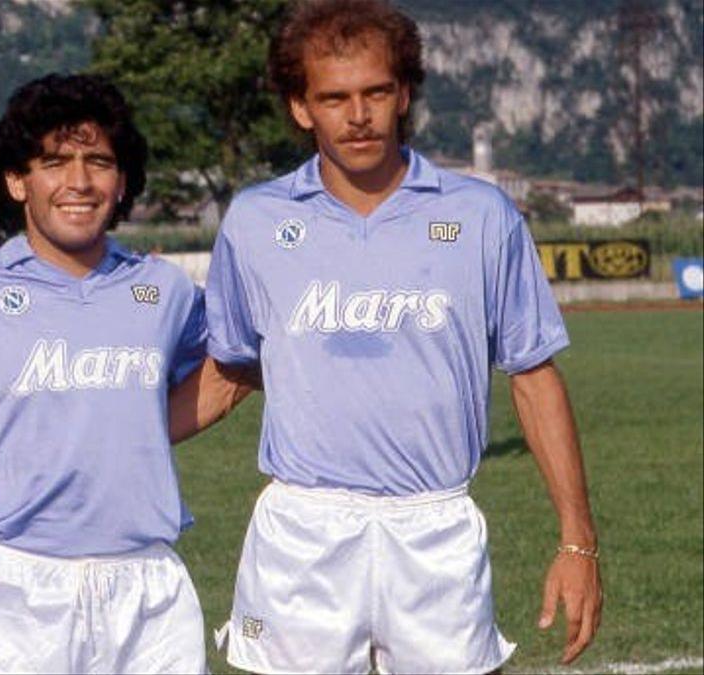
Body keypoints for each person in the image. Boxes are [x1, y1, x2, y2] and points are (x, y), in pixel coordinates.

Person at [204, 1, 602, 672]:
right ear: (302, 108)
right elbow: (234, 370)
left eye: (375, 92)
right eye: (334, 97)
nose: (357, 115)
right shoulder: (254, 221)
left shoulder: (481, 216)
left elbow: (533, 376)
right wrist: (121, 433)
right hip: (304, 530)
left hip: (435, 527)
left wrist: (578, 540)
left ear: (404, 93)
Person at [0, 73, 225, 673]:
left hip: (146, 587)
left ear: (122, 181)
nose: (80, 182)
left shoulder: (162, 290)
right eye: (55, 161)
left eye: (99, 161)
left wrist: (137, 427)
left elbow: (237, 363)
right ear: (17, 180)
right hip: (6, 590)